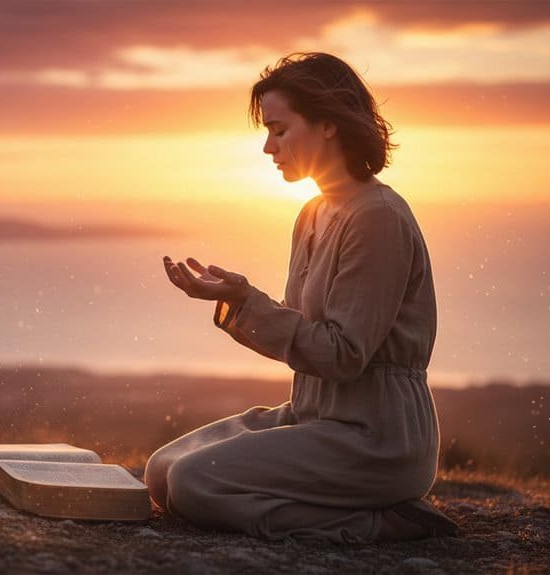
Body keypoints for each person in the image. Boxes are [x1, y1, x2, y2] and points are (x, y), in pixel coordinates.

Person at [146, 52, 458, 543]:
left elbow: (343, 354)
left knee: (192, 483)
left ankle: (378, 523)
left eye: (280, 130)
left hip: (375, 439)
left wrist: (250, 304)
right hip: (312, 418)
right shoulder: (312, 213)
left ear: (329, 124)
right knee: (161, 470)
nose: (269, 147)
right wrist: (236, 299)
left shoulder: (377, 218)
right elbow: (305, 329)